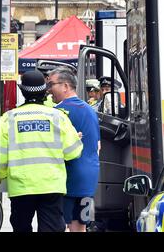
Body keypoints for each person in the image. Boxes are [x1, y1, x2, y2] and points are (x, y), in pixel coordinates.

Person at [0, 70, 83, 232]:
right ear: (45, 90)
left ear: (22, 91)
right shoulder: (58, 117)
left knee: (21, 227)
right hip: (51, 185)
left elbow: (1, 156)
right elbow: (73, 152)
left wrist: (0, 175)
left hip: (21, 186)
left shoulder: (8, 118)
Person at [47, 67, 100, 232]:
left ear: (65, 86)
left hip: (68, 178)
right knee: (81, 225)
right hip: (90, 178)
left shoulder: (58, 112)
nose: (49, 91)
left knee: (64, 223)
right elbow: (98, 146)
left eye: (51, 85)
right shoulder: (91, 111)